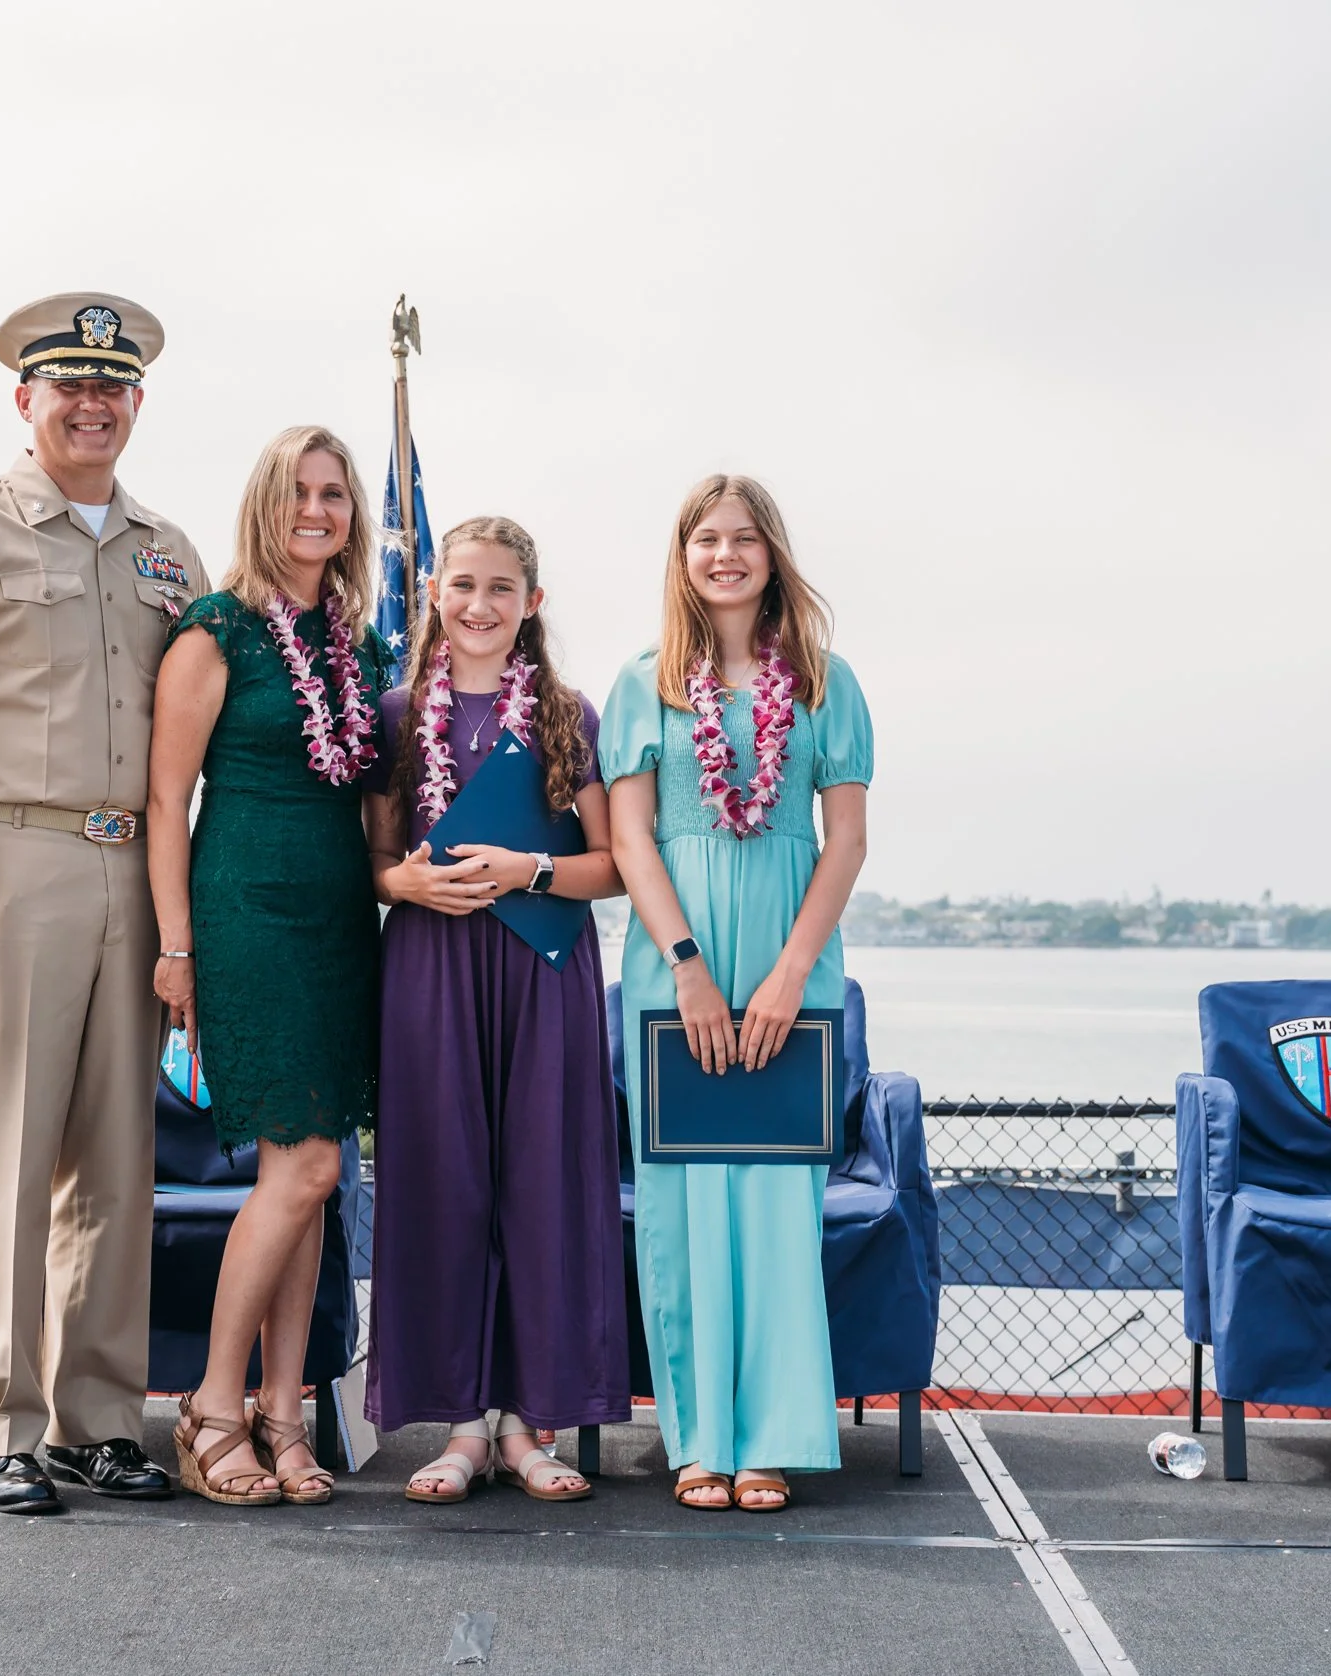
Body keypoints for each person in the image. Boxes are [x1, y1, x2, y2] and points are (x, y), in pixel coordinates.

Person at [0, 291, 204, 1514]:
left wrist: (186, 926)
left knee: (121, 1162)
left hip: (137, 866)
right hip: (8, 857)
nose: (91, 400)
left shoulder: (172, 552)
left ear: (137, 404)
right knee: (8, 1158)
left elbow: (200, 747)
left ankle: (99, 1419)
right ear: (26, 399)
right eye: (67, 381)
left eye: (110, 385)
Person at [601, 474, 872, 1513]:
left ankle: (773, 1437)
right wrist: (689, 965)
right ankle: (699, 1439)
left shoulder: (823, 681)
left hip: (791, 962)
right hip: (679, 965)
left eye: (744, 538)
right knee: (683, 1207)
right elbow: (630, 836)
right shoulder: (645, 682)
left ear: (773, 554)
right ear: (682, 555)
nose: (725, 554)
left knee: (773, 1203)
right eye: (706, 538)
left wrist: (793, 973)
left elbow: (844, 836)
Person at [362, 516, 631, 1504]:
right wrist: (408, 886)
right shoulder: (397, 713)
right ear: (433, 592)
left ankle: (532, 1424)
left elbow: (614, 866)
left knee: (543, 1188)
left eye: (502, 588)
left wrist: (533, 867)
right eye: (463, 584)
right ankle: (463, 1425)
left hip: (542, 970)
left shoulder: (570, 713)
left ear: (533, 602)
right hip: (433, 967)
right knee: (444, 1187)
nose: (480, 604)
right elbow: (378, 862)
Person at [146, 425, 391, 1506]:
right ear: (264, 501)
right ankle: (208, 1404)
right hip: (248, 916)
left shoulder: (360, 644)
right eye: (300, 490)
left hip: (343, 927)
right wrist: (177, 947)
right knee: (306, 1169)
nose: (318, 509)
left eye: (336, 493)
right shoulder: (216, 630)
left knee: (310, 1180)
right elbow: (166, 802)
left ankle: (285, 1414)